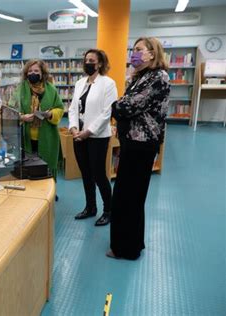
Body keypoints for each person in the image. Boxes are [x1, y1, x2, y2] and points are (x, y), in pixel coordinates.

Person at [107, 37, 170, 260]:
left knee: (129, 196)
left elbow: (128, 105)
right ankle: (131, 243)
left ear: (152, 53)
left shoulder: (158, 77)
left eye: (139, 49)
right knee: (128, 195)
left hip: (142, 144)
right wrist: (119, 106)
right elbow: (126, 104)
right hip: (133, 142)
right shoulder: (141, 77)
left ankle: (127, 249)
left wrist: (115, 106)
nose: (133, 53)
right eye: (132, 49)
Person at [68, 49, 117, 226]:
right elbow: (73, 108)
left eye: (92, 60)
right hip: (78, 135)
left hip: (97, 136)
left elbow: (107, 112)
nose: (88, 63)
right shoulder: (80, 83)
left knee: (98, 174)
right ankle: (90, 207)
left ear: (100, 64)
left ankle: (108, 210)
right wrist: (74, 129)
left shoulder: (108, 83)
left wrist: (88, 132)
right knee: (86, 173)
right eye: (86, 60)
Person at [17, 59, 64, 179]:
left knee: (47, 165)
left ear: (42, 73)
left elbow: (59, 108)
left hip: (47, 136)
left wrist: (50, 114)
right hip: (26, 137)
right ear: (26, 73)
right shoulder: (20, 89)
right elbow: (11, 109)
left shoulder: (51, 89)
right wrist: (22, 117)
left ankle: (49, 191)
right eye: (30, 71)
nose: (33, 73)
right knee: (29, 166)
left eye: (36, 70)